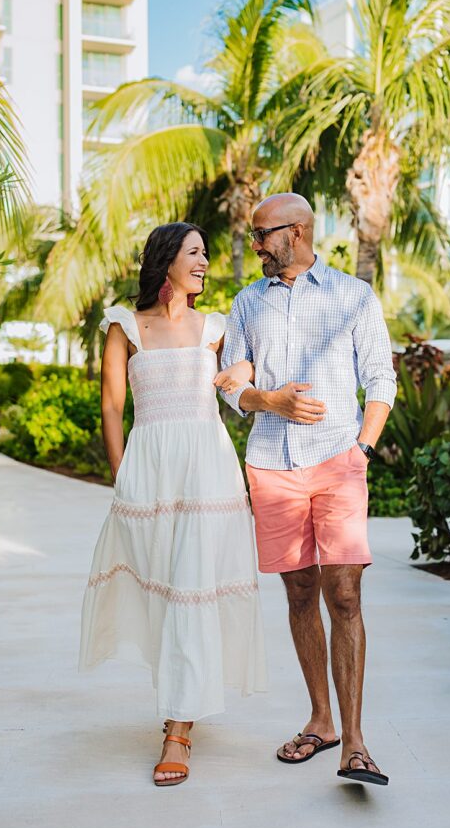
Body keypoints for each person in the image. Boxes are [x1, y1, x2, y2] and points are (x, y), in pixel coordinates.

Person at [215, 193, 397, 785]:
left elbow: (380, 378)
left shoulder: (353, 295)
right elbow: (231, 386)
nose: (256, 246)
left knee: (343, 594)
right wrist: (269, 400)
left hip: (338, 462)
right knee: (299, 595)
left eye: (263, 234)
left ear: (296, 232)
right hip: (272, 464)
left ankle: (357, 743)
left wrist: (362, 450)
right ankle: (322, 721)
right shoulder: (246, 302)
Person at [79, 221, 267, 788]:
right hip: (149, 471)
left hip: (207, 472)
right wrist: (121, 476)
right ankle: (183, 695)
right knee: (163, 592)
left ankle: (178, 729)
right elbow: (113, 408)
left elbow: (244, 376)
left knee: (191, 589)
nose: (206, 262)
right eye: (196, 253)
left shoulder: (218, 327)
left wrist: (250, 370)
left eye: (207, 254)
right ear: (166, 261)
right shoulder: (124, 325)